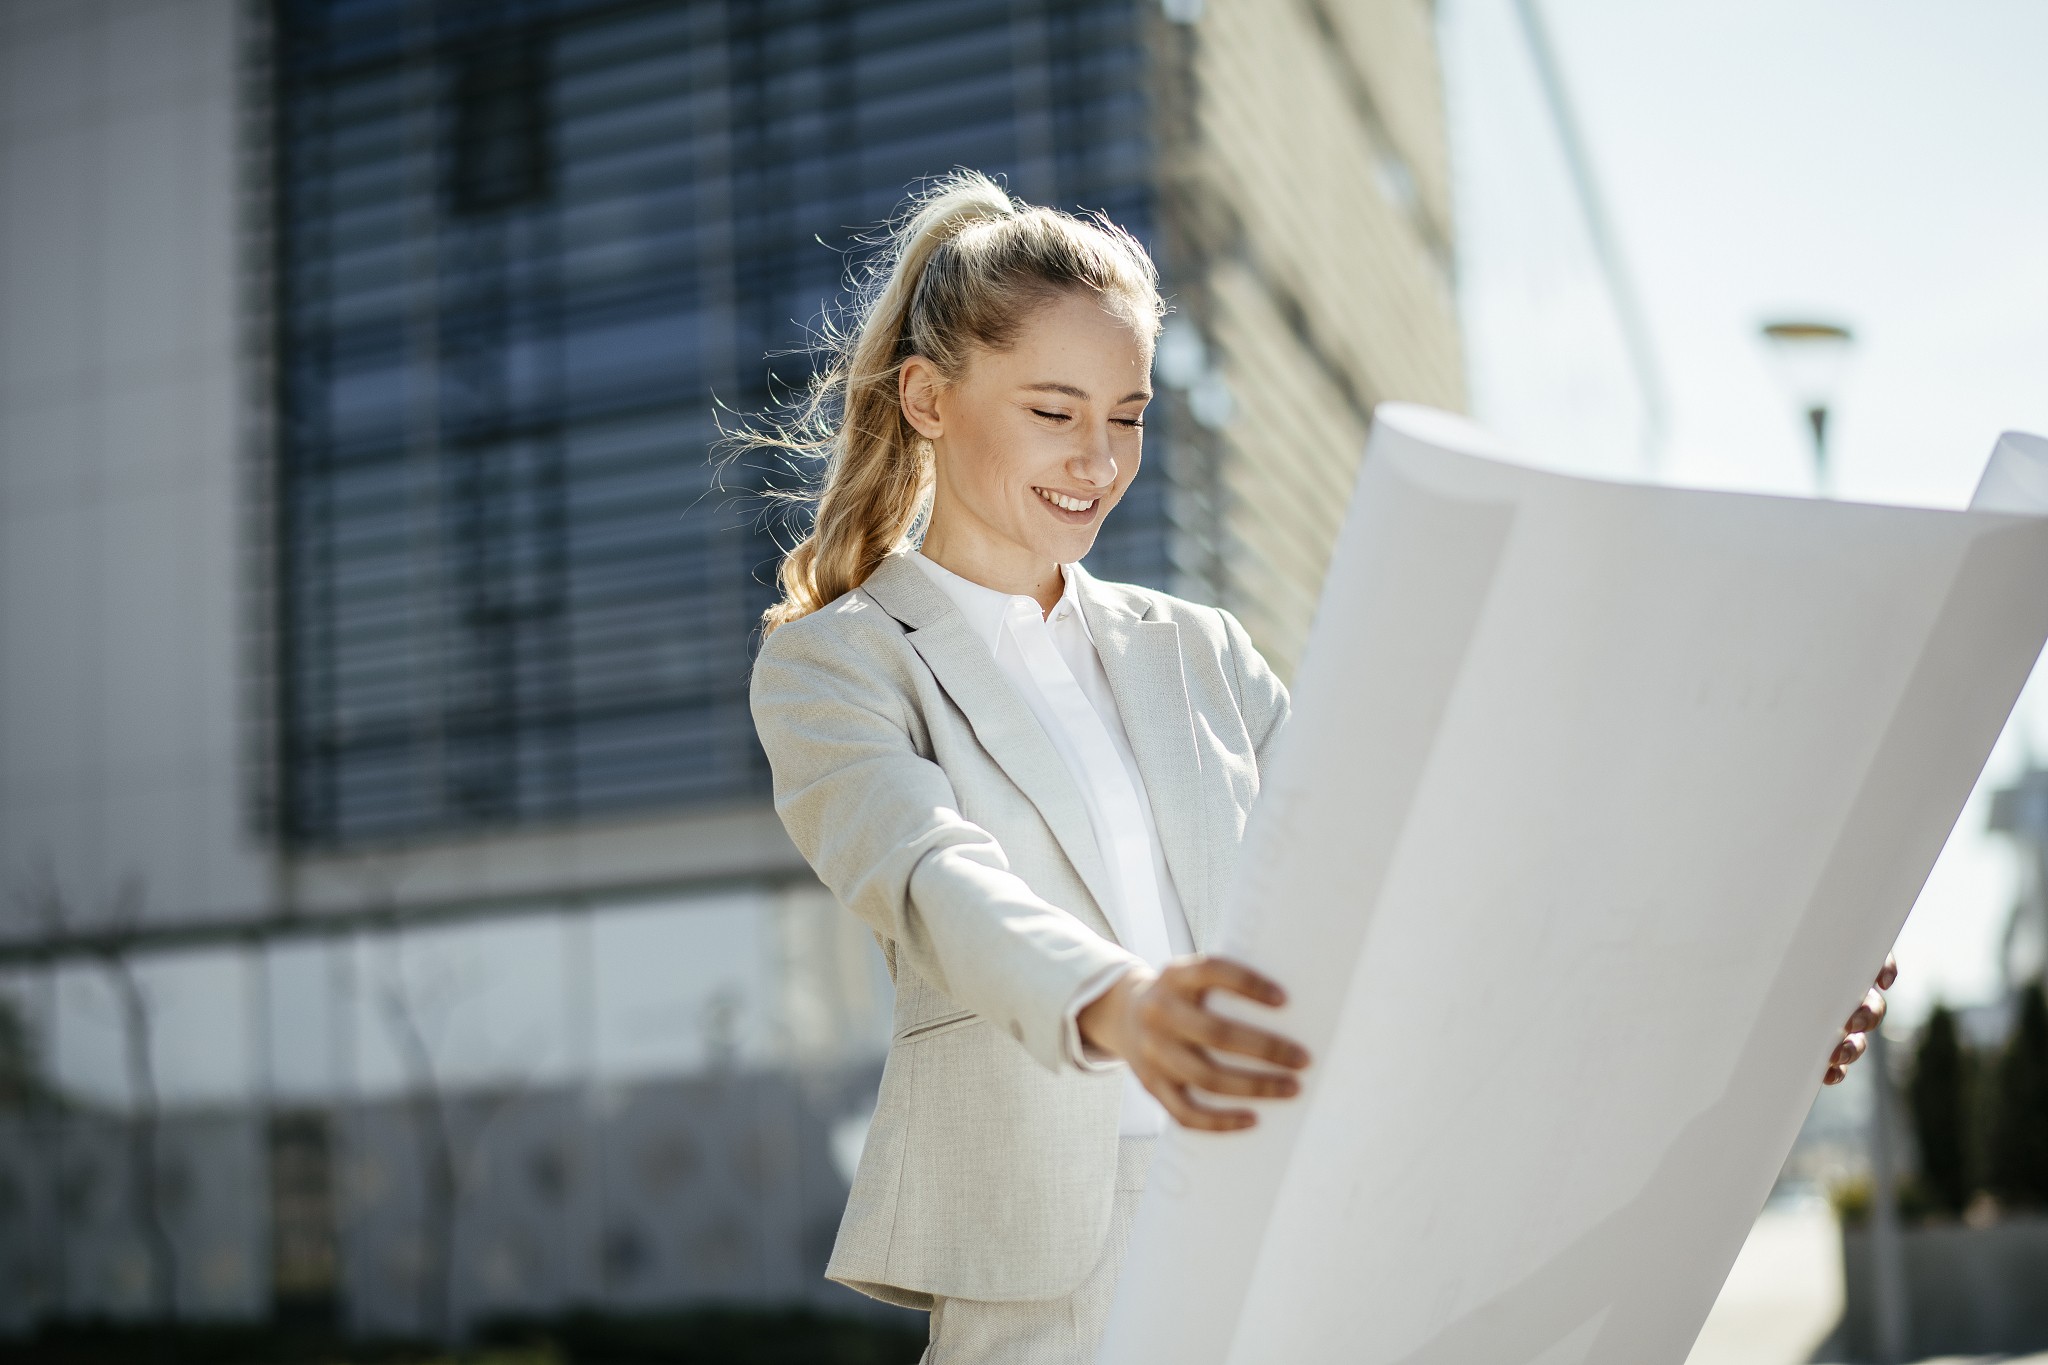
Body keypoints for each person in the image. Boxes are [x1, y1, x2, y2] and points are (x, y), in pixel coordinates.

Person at [744, 170, 1893, 1364]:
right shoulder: (838, 666)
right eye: (1052, 410)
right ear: (929, 397)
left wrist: (1750, 1001)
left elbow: (1413, 888)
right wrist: (1121, 1003)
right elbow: (932, 877)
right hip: (1045, 1284)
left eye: (1127, 414)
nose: (1097, 458)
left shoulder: (1198, 652)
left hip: (1288, 1230)